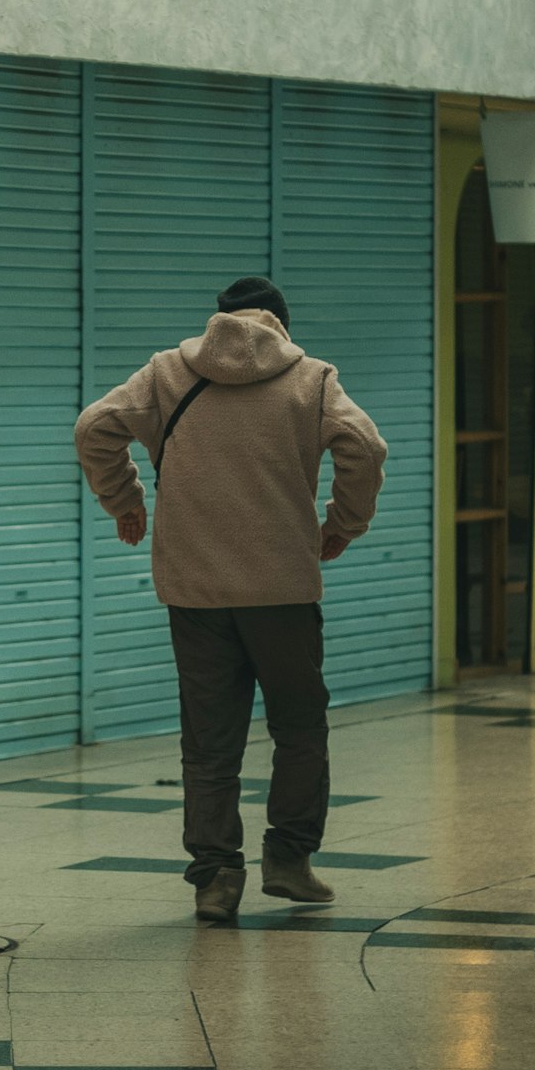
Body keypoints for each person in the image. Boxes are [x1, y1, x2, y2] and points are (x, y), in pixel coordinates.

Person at [72, 274, 388, 925]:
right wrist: (342, 523)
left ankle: (216, 877)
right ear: (282, 325)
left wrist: (124, 500)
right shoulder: (312, 379)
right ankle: (289, 860)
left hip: (195, 591)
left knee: (210, 739)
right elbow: (365, 447)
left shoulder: (167, 373)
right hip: (283, 590)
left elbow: (95, 427)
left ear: (218, 321)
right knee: (298, 727)